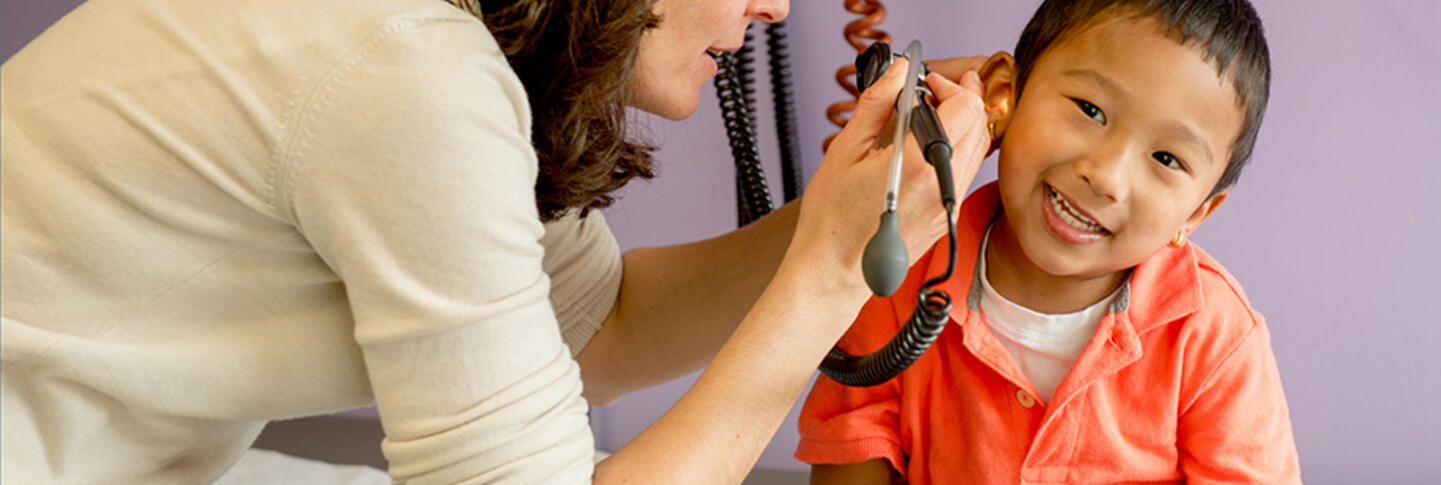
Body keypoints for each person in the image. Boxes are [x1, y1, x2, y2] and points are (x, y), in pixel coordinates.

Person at [0, 0, 992, 483]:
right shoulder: (410, 72)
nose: (774, 7)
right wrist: (826, 272)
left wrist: (847, 213)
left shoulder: (469, 47)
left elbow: (598, 329)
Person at [795, 0, 1301, 483]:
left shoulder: (1215, 336)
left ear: (1195, 214)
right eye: (1090, 109)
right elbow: (852, 439)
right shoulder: (900, 266)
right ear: (1002, 96)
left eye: (1167, 159)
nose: (1107, 177)